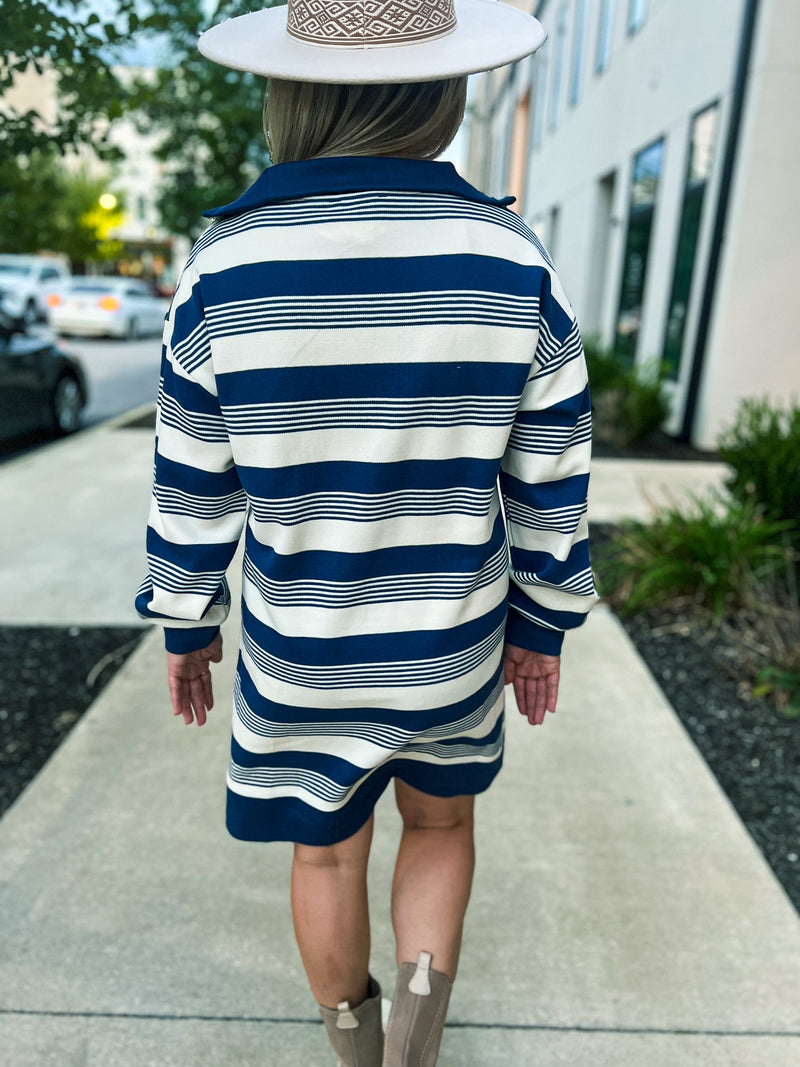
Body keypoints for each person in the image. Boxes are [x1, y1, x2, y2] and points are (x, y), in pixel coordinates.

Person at [135, 2, 596, 1064]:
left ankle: (358, 1051)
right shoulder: (507, 253)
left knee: (324, 852)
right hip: (451, 636)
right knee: (439, 825)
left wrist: (184, 622)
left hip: (300, 646)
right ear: (438, 94)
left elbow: (191, 477)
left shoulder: (222, 268)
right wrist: (544, 618)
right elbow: (553, 465)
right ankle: (416, 1048)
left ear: (289, 94)